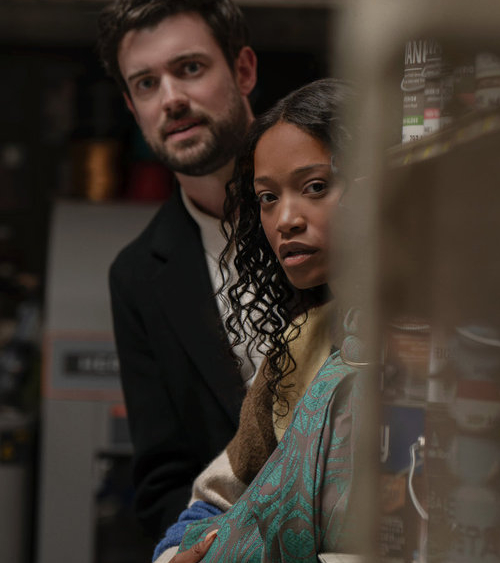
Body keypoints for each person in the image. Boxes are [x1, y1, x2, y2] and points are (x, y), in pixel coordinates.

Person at [157, 78, 364, 563]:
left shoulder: (450, 337)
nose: (285, 218)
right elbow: (213, 504)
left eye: (316, 187)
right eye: (267, 198)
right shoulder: (297, 351)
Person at [97, 0, 261, 541]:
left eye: (189, 68)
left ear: (243, 71)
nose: (171, 99)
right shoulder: (137, 276)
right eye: (146, 84)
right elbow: (164, 479)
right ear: (131, 105)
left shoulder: (340, 205)